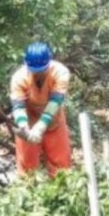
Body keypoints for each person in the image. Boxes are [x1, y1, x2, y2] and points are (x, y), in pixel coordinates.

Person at [9, 41, 73, 177]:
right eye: (34, 71)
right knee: (26, 169)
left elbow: (55, 101)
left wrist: (40, 127)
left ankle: (61, 195)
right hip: (28, 122)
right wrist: (23, 127)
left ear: (48, 64)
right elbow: (18, 106)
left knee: (61, 167)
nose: (38, 75)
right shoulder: (18, 78)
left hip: (54, 123)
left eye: (41, 71)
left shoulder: (61, 73)